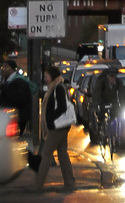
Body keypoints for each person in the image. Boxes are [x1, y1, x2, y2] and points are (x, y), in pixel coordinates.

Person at [26, 65, 76, 193]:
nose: (45, 78)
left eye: (47, 75)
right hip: (60, 126)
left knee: (46, 154)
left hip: (58, 127)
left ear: (52, 75)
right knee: (62, 154)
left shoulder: (57, 88)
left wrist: (51, 118)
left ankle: (38, 184)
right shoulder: (55, 87)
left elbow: (62, 107)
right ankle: (70, 183)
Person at [89, 65, 125, 143]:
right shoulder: (101, 82)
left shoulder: (118, 82)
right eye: (111, 76)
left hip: (112, 100)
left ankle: (114, 134)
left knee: (115, 114)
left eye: (114, 77)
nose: (112, 78)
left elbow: (122, 94)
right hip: (103, 99)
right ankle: (100, 128)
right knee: (101, 114)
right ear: (107, 76)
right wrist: (96, 106)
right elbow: (96, 94)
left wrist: (123, 105)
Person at [0, 58, 32, 135]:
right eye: (2, 67)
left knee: (12, 140)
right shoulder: (6, 81)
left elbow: (19, 99)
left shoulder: (19, 81)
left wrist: (4, 88)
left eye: (6, 67)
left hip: (18, 117)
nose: (3, 69)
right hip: (9, 116)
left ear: (12, 69)